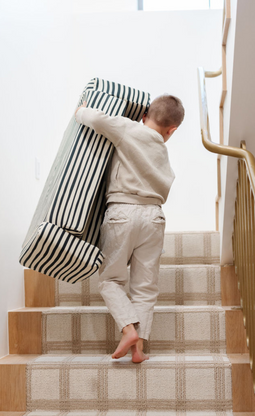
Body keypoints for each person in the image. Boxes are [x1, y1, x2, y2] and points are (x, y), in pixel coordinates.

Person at [75, 94, 185, 363]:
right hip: (154, 217)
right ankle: (139, 348)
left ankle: (127, 330)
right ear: (172, 130)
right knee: (145, 287)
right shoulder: (163, 149)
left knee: (111, 279)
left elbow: (95, 119)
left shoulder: (129, 128)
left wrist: (80, 110)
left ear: (145, 116)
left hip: (122, 212)